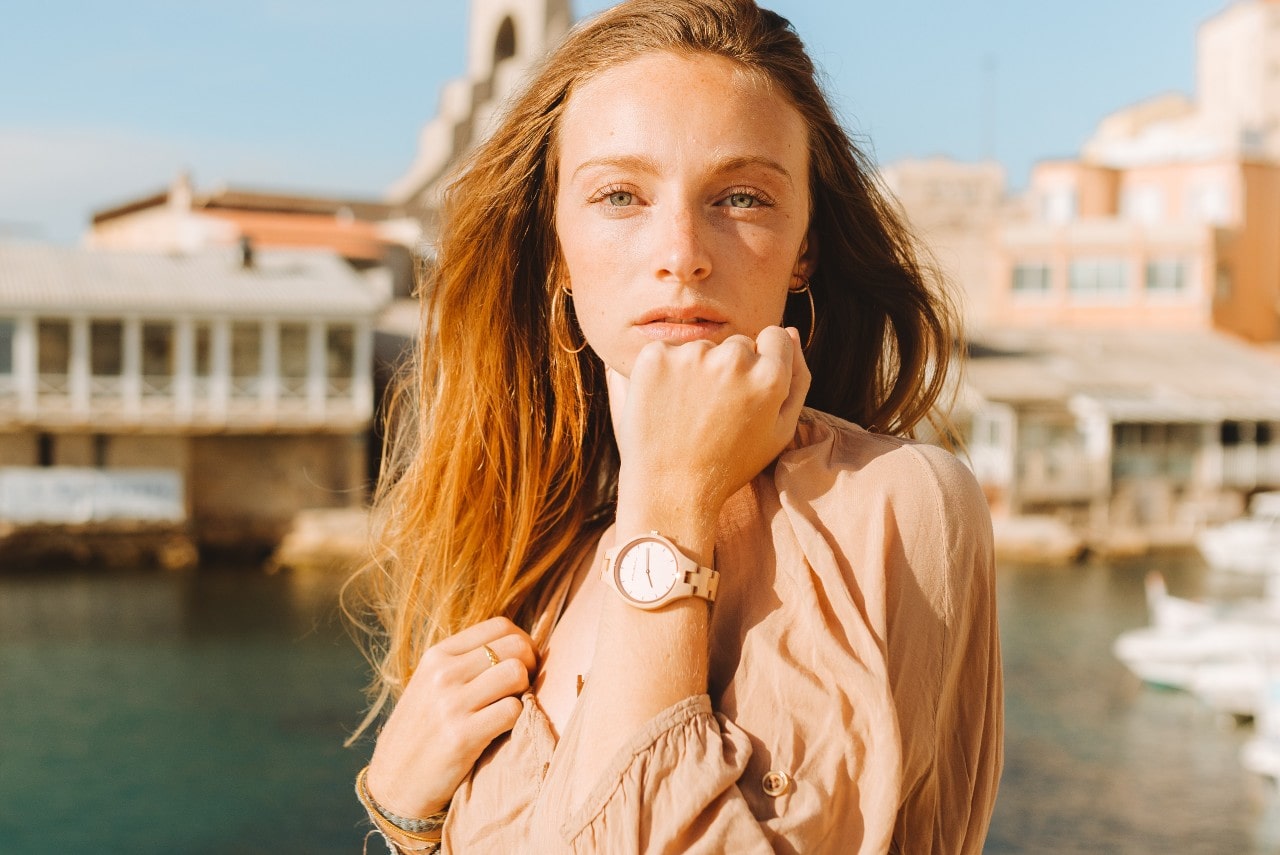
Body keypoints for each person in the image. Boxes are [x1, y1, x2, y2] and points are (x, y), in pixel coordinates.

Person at [345, 0, 1003, 852]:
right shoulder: (538, 560)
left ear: (805, 244)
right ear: (557, 246)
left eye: (740, 196)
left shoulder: (893, 508)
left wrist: (670, 501)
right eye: (620, 195)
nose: (681, 251)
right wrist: (408, 815)